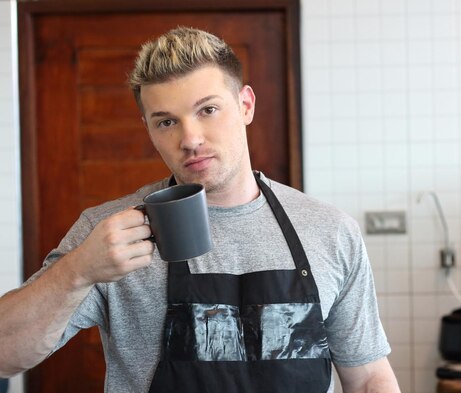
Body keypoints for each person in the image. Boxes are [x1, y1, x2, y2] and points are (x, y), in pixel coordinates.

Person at [0, 27, 400, 392]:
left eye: (208, 110)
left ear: (245, 105)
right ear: (148, 129)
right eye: (166, 122)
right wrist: (78, 270)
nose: (190, 139)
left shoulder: (329, 230)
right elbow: (5, 356)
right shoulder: (106, 234)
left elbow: (367, 377)